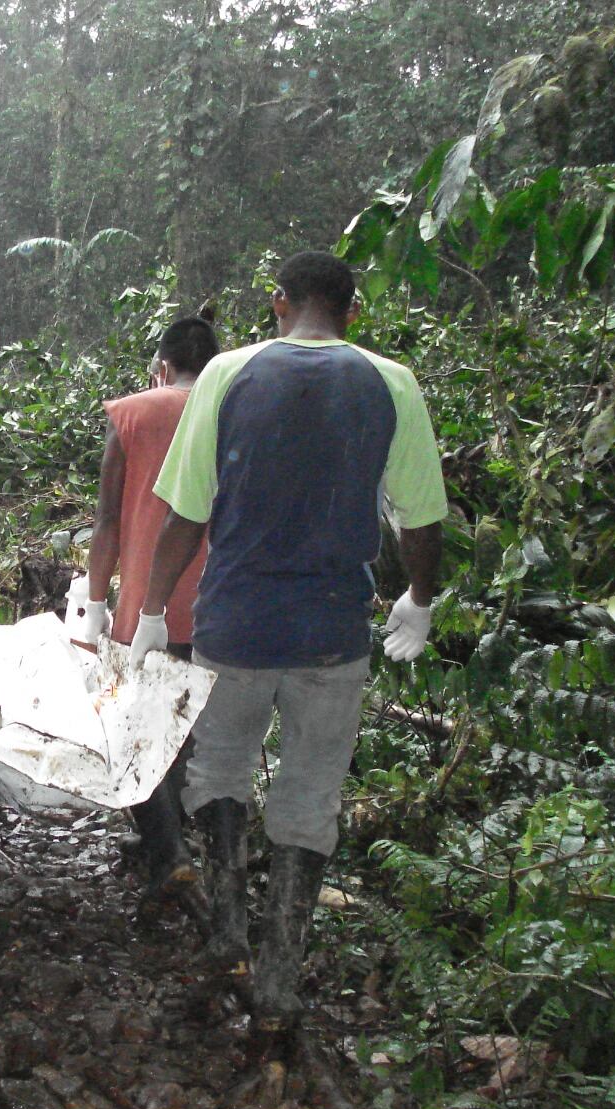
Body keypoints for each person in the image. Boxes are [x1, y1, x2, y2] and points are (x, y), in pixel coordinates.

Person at [132, 251, 447, 1029]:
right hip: (331, 631)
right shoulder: (392, 384)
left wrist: (151, 610)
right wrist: (419, 599)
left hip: (234, 624)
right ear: (353, 311)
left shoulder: (226, 374)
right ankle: (278, 980)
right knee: (310, 796)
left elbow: (187, 514)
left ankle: (228, 929)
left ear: (277, 303)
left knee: (220, 769)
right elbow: (421, 517)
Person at [63, 315, 221, 907]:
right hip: (222, 599)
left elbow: (107, 519)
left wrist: (95, 603)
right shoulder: (232, 407)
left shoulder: (132, 414)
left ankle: (169, 852)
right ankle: (194, 845)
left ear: (162, 366)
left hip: (148, 602)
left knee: (137, 727)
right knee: (200, 729)